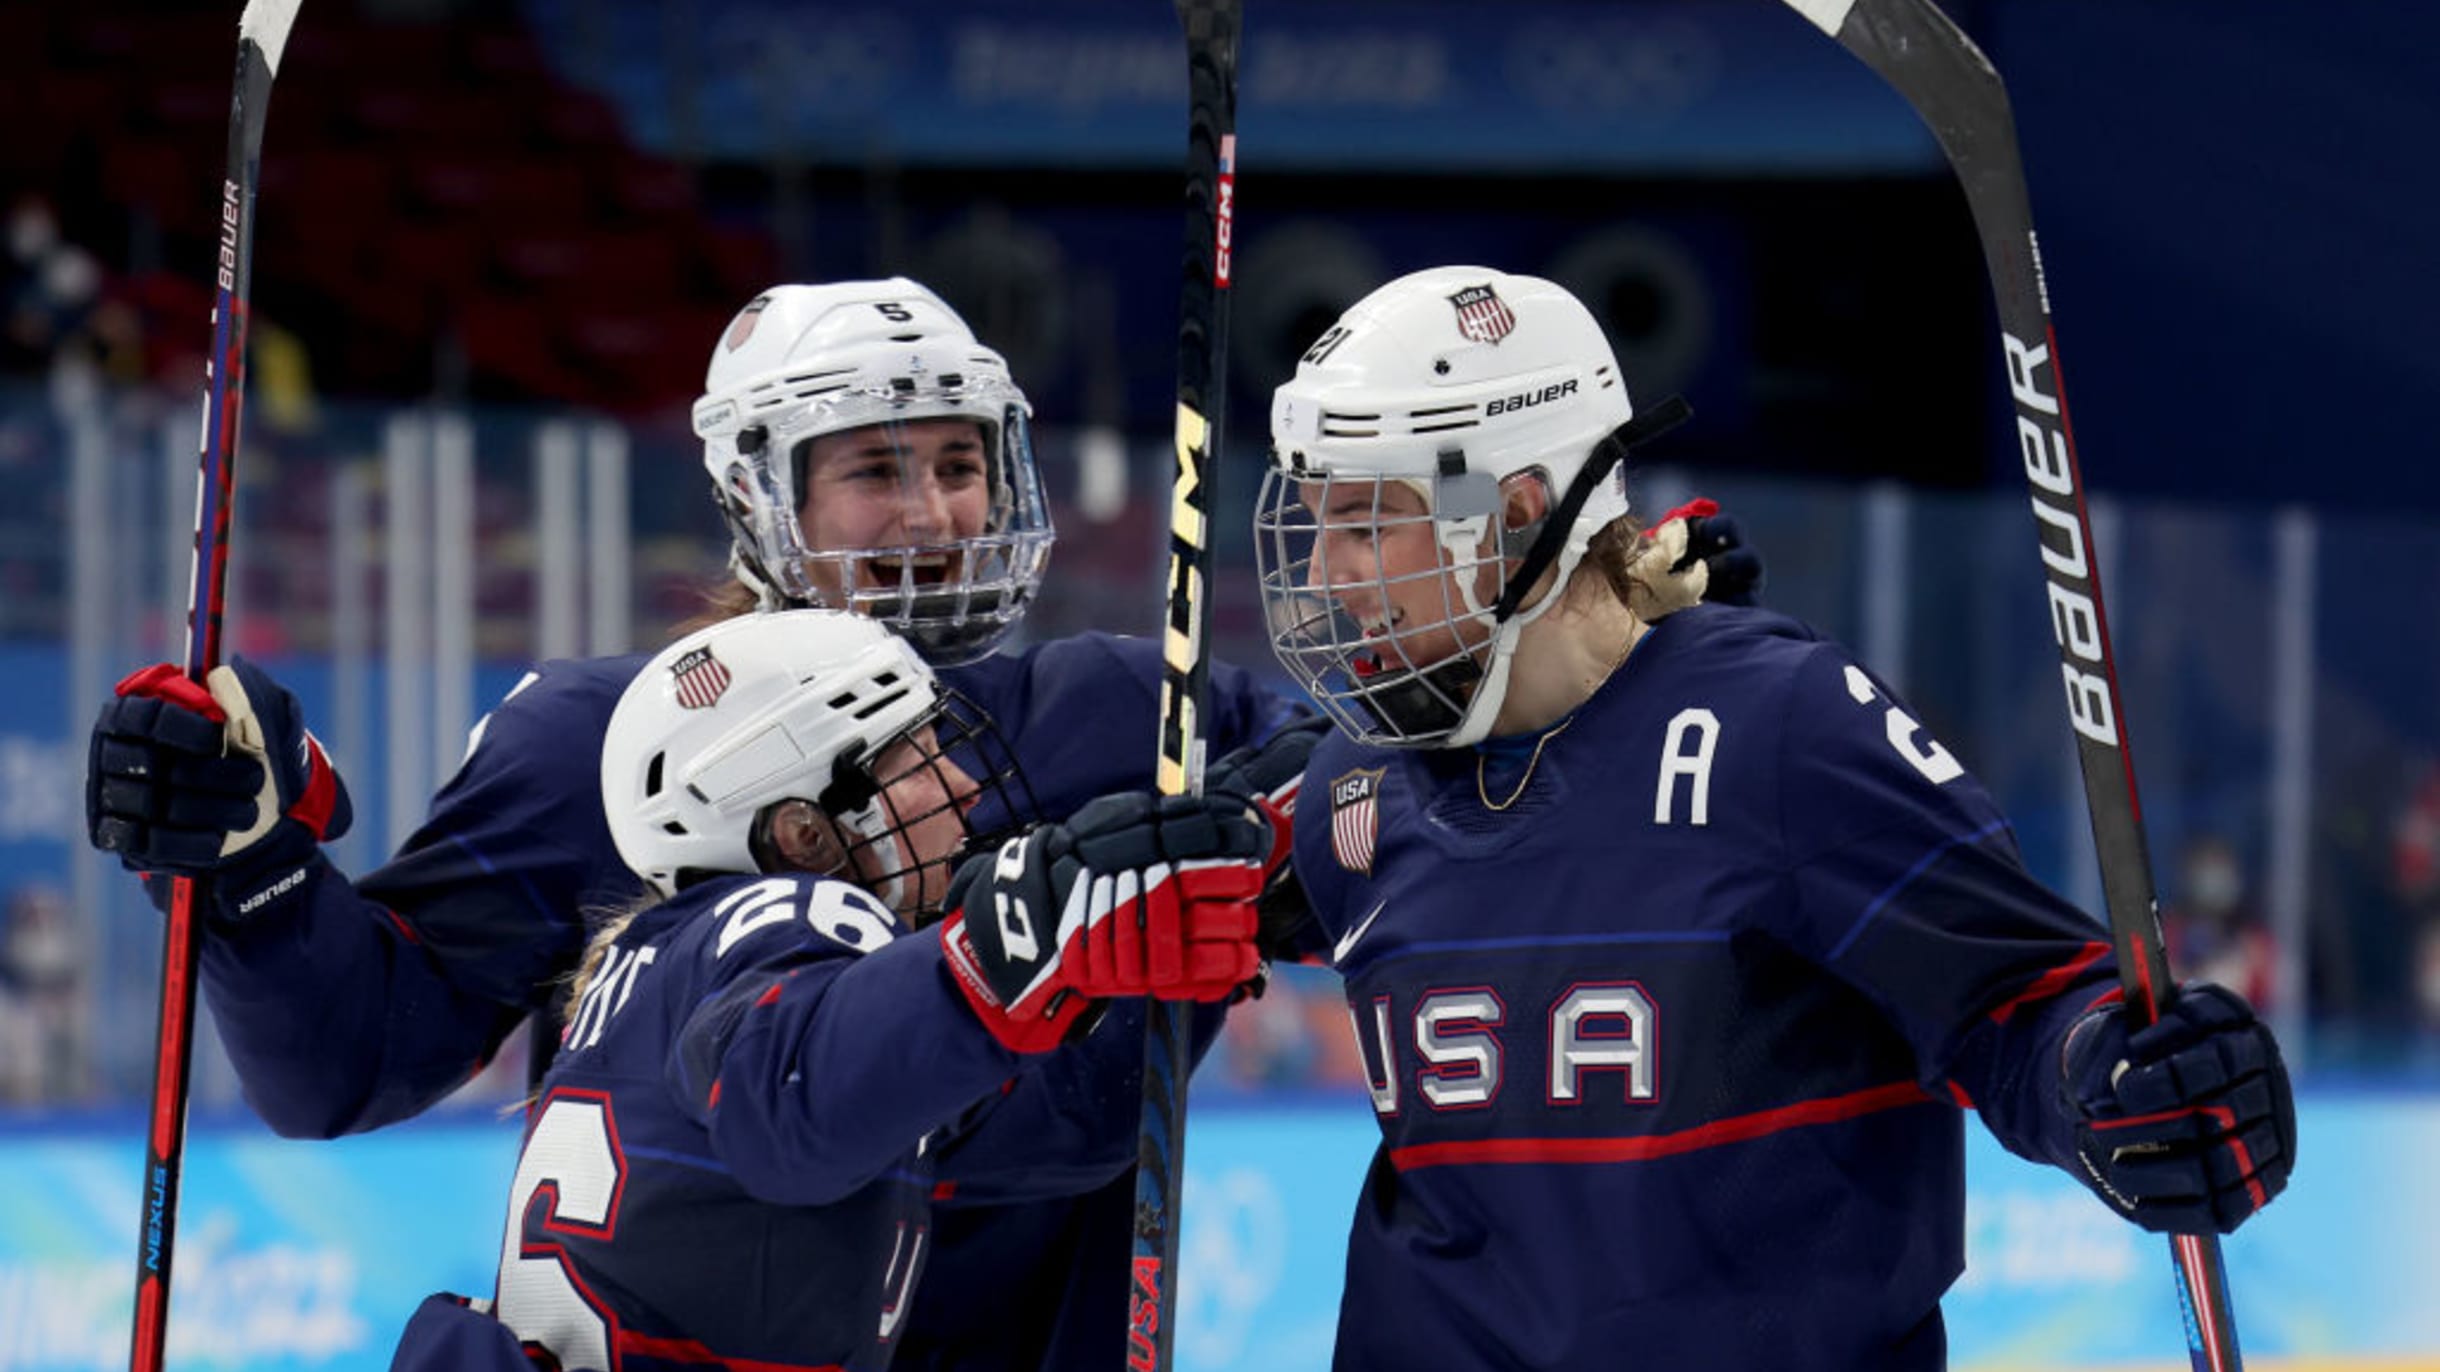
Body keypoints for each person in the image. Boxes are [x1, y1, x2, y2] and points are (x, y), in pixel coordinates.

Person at [84, 275, 1752, 1369]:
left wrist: (1568, 632)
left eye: (961, 461)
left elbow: (1400, 797)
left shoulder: (1115, 701)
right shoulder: (610, 743)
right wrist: (247, 869)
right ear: (763, 494)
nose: (940, 509)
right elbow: (340, 1064)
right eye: (877, 468)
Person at [1250, 266, 2296, 1370]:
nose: (1326, 573)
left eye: (1366, 521)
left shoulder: (1776, 731)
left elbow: (2017, 999)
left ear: (1512, 512)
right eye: (1318, 522)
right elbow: (1191, 901)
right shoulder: (1344, 790)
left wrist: (2117, 1080)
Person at [391, 608, 1270, 1370]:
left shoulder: (665, 963)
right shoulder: (782, 915)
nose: (964, 786)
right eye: (915, 759)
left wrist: (1156, 961)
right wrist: (1011, 942)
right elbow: (790, 1098)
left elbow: (1030, 1121)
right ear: (803, 833)